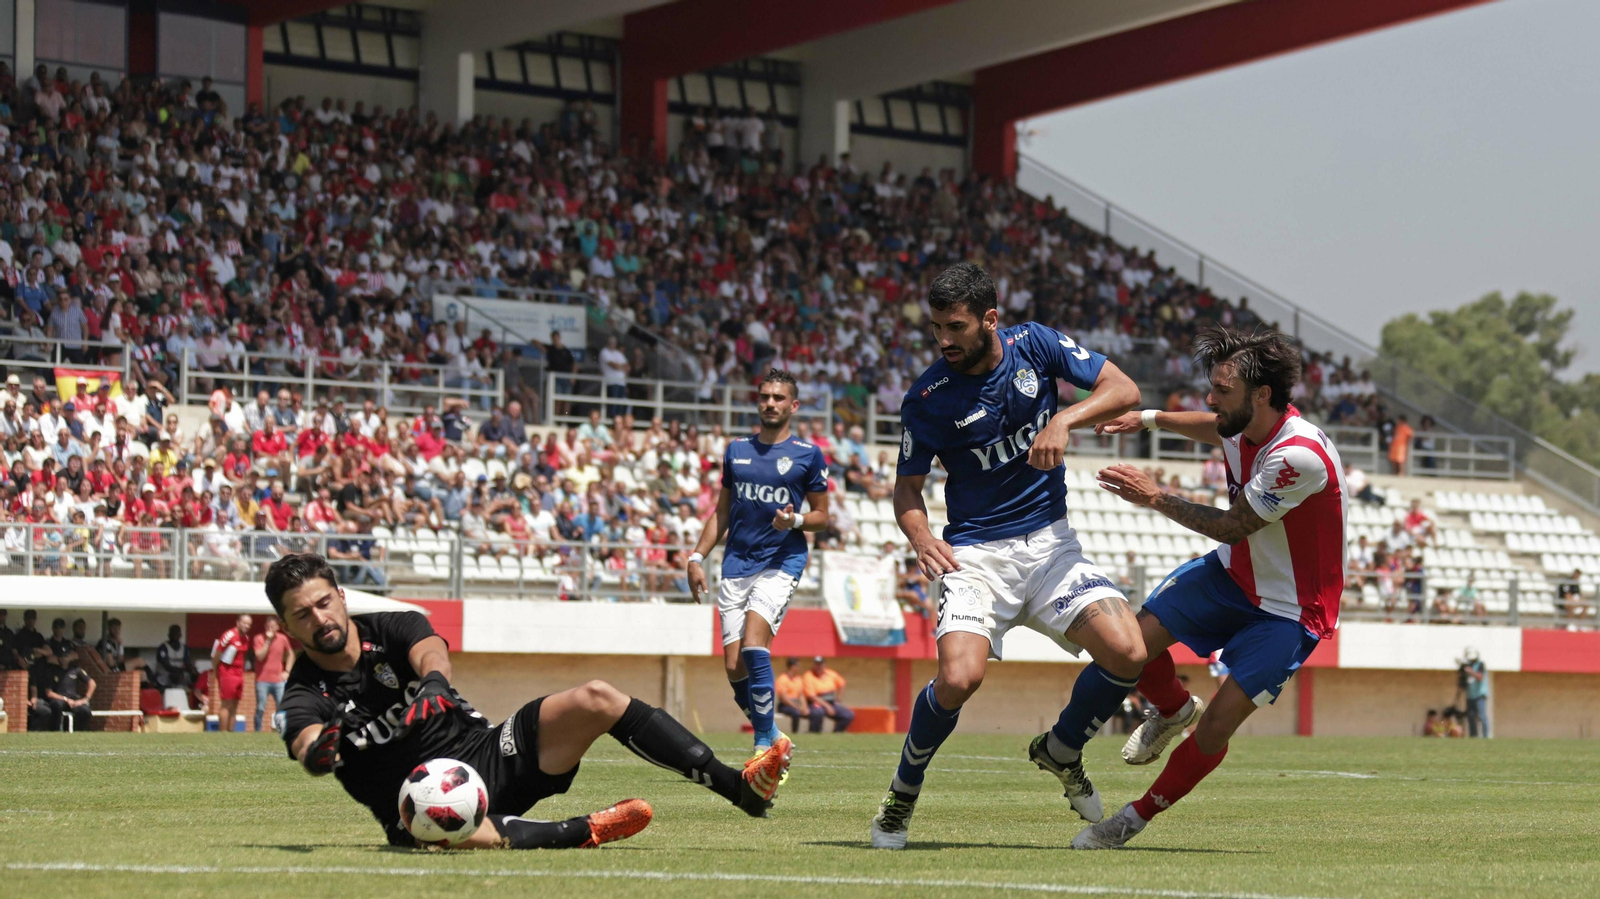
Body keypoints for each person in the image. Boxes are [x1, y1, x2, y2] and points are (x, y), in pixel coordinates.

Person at [869, 263, 1144, 849]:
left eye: (956, 327)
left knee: (1129, 652)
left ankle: (1061, 748)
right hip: (975, 556)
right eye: (936, 327)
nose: (944, 339)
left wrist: (1065, 419)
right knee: (959, 677)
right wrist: (921, 539)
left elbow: (1124, 389)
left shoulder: (1036, 344)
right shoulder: (925, 399)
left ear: (990, 319)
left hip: (1050, 546)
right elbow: (907, 490)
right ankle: (901, 793)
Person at [269, 553, 790, 850]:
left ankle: (741, 790)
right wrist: (319, 750)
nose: (320, 619)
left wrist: (432, 684)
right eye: (303, 615)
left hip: (486, 751)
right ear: (285, 626)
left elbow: (430, 652)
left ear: (340, 595)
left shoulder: (391, 624)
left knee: (597, 697)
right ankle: (584, 830)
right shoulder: (303, 691)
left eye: (323, 602)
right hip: (415, 805)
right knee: (444, 825)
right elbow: (304, 740)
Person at [1080, 326, 1346, 849]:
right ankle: (1173, 707)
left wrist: (1155, 496)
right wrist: (1147, 418)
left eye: (1222, 390)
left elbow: (1232, 526)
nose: (1211, 398)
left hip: (1290, 611)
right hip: (1230, 577)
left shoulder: (1297, 455)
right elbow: (1211, 426)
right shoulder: (1241, 422)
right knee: (1126, 643)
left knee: (1217, 728)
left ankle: (1130, 820)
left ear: (1261, 395)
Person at [686, 368, 828, 756]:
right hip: (736, 564)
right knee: (734, 666)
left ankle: (764, 744)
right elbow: (722, 511)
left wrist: (794, 520)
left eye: (779, 398)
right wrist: (697, 556)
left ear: (793, 406)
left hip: (782, 560)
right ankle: (775, 733)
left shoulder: (808, 455)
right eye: (765, 396)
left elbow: (821, 515)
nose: (770, 403)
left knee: (753, 643)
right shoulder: (736, 451)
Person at [212, 614, 252, 731]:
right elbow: (217, 653)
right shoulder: (229, 635)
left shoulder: (246, 638)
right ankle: (223, 732)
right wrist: (216, 669)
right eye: (244, 623)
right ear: (238, 622)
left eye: (249, 624)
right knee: (226, 704)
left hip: (239, 673)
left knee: (235, 704)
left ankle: (231, 733)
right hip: (227, 672)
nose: (246, 626)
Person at [253, 616, 293, 732]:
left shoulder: (283, 638)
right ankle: (257, 732)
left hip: (278, 680)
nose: (270, 629)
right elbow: (260, 656)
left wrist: (287, 671)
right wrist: (268, 641)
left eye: (273, 626)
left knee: (281, 706)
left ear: (277, 627)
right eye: (268, 626)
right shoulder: (258, 638)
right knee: (260, 707)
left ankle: (283, 731)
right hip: (262, 680)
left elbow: (290, 654)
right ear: (265, 627)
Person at [801, 656, 854, 733]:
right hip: (816, 703)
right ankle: (814, 733)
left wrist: (838, 699)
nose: (818, 667)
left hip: (831, 702)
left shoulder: (830, 673)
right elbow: (811, 696)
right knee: (818, 713)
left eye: (820, 664)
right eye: (816, 664)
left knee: (847, 715)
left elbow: (842, 683)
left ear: (824, 665)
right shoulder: (808, 676)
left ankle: (837, 733)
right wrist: (827, 706)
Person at [1459, 647, 1489, 738]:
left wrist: (1471, 672)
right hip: (1470, 695)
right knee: (1471, 716)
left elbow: (1480, 677)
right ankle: (1473, 736)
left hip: (1479, 695)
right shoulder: (1467, 666)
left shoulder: (1480, 665)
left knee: (1482, 716)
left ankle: (1485, 736)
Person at [774, 657, 810, 734]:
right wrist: (798, 707)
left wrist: (805, 707)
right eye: (798, 666)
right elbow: (784, 699)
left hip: (796, 703)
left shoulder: (798, 679)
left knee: (814, 713)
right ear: (793, 667)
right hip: (785, 705)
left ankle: (812, 732)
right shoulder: (782, 679)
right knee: (796, 713)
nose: (799, 668)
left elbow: (801, 695)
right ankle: (795, 732)